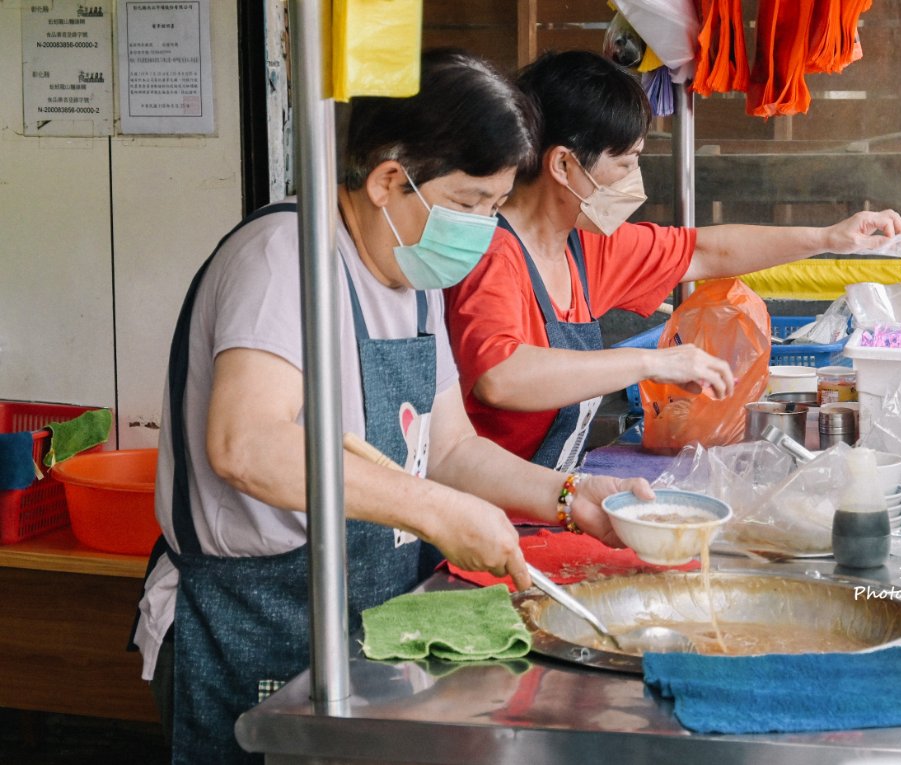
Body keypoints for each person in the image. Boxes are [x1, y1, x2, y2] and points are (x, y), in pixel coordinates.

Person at [132, 48, 652, 765]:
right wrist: (438, 511)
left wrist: (569, 497)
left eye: (496, 206)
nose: (482, 227)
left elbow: (450, 449)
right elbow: (248, 446)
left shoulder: (411, 278)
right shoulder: (286, 256)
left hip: (363, 617)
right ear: (387, 180)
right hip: (253, 617)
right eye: (472, 204)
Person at [444, 50, 901, 471]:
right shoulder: (491, 253)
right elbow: (500, 378)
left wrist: (829, 236)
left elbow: (706, 251)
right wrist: (650, 363)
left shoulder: (583, 246)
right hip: (477, 518)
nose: (633, 179)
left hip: (543, 501)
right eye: (625, 163)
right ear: (564, 165)